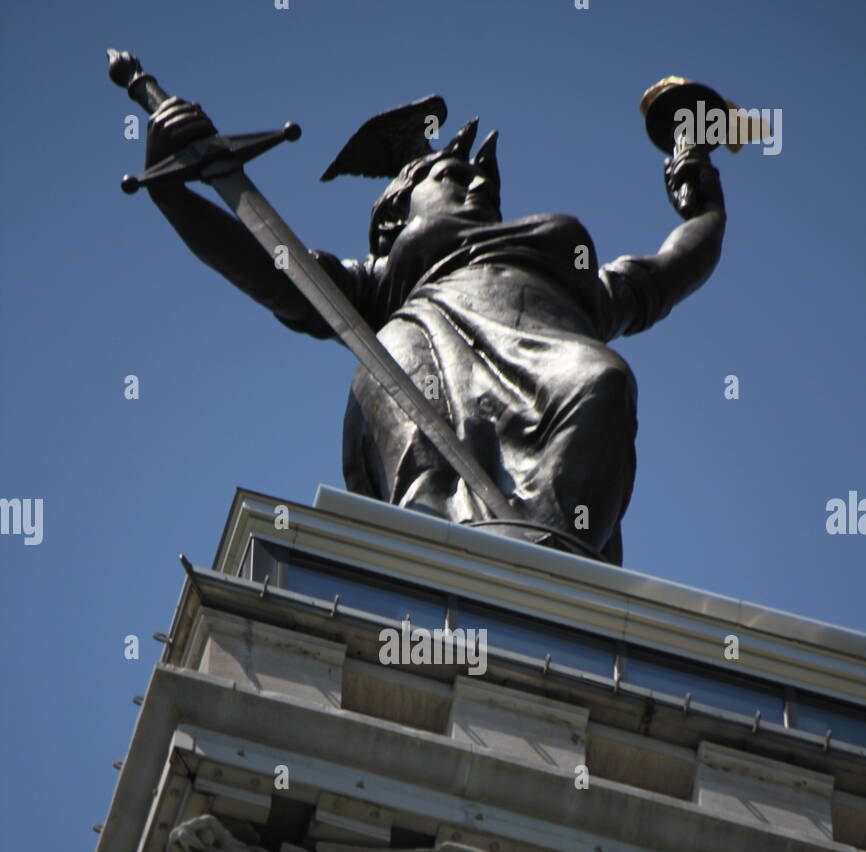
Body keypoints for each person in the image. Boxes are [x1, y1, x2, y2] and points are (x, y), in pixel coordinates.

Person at [145, 96, 725, 565]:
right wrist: (172, 194)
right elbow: (270, 269)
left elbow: (661, 275)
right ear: (395, 217)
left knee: (602, 378)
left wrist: (706, 211)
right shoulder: (381, 281)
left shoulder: (570, 275)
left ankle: (548, 563)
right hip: (420, 369)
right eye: (452, 176)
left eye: (484, 184)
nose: (478, 187)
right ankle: (436, 559)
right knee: (406, 398)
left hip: (555, 359)